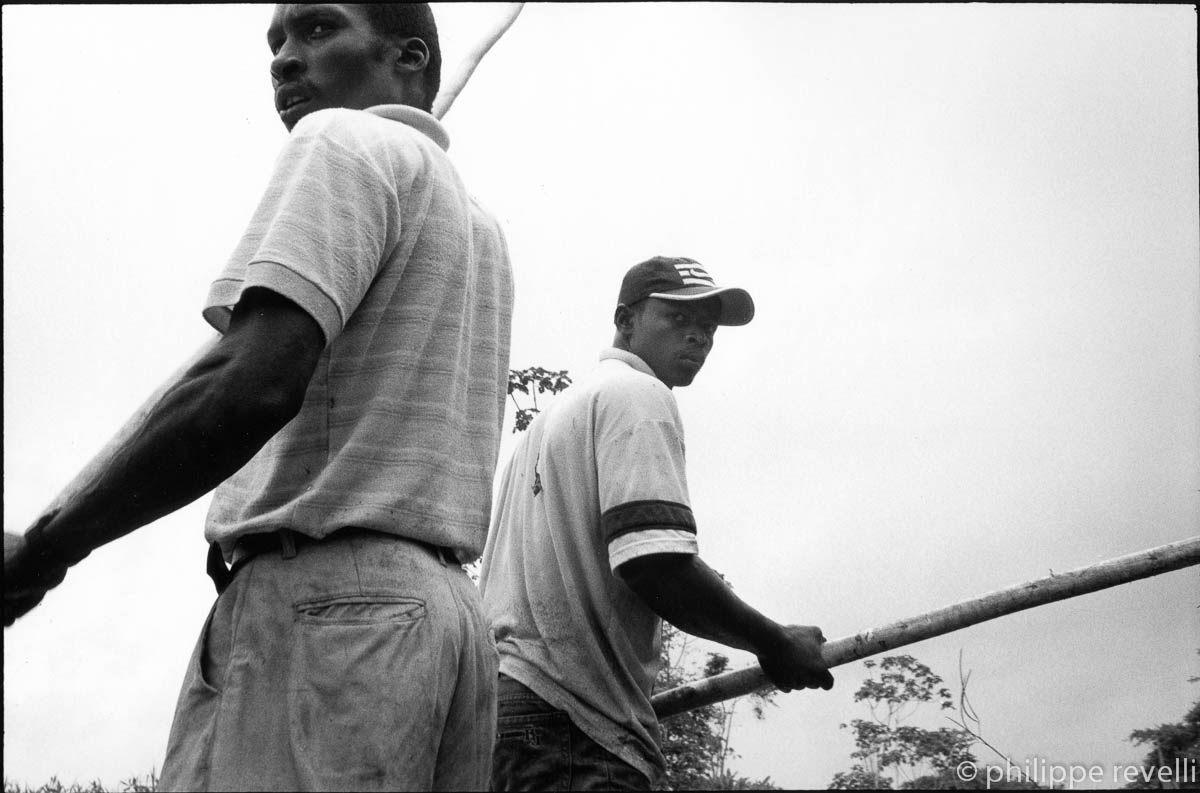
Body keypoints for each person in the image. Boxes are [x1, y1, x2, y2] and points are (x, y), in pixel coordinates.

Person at [4, 4, 513, 790]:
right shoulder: (477, 226)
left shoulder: (341, 141)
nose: (283, 58)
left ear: (408, 57)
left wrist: (47, 549)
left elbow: (251, 383)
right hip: (444, 622)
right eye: (276, 41)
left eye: (317, 30)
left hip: (330, 617)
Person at [479, 256, 834, 790]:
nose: (699, 337)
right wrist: (776, 643)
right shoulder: (637, 396)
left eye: (708, 327)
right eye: (678, 318)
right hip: (575, 720)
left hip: (508, 711)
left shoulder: (554, 418)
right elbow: (654, 565)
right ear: (626, 321)